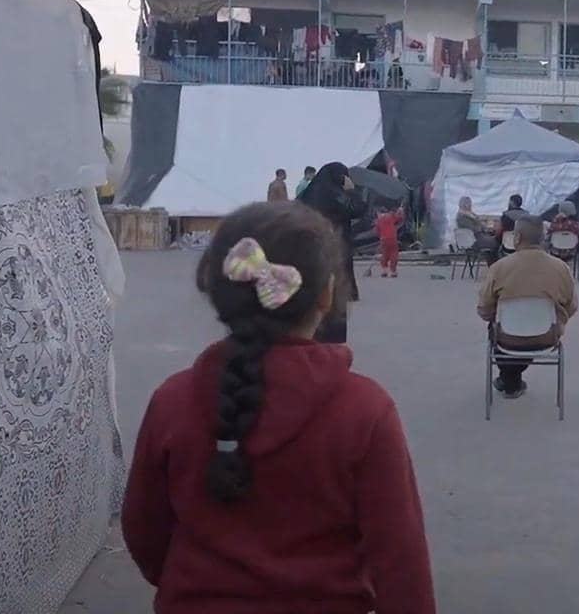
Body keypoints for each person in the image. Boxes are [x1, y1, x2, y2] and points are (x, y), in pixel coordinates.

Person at [122, 201, 435, 614]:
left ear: (220, 291)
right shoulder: (365, 410)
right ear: (326, 294)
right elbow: (401, 563)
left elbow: (144, 531)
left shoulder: (172, 401)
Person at [477, 215, 578, 399]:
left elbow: (484, 308)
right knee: (528, 328)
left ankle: (510, 379)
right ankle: (511, 380)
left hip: (507, 338)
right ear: (543, 238)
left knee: (497, 326)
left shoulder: (499, 268)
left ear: (516, 238)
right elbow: (572, 306)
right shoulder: (561, 269)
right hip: (547, 336)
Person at [300, 162, 365, 342]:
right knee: (335, 295)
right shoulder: (334, 193)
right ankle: (332, 342)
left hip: (310, 251)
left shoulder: (310, 192)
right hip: (335, 248)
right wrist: (352, 191)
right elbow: (358, 209)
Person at [456, 196, 499, 265]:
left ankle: (493, 266)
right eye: (468, 203)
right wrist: (483, 227)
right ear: (464, 204)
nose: (470, 205)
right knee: (497, 242)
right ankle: (495, 267)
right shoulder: (463, 217)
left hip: (476, 238)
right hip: (474, 241)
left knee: (494, 242)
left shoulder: (468, 214)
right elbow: (474, 229)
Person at [374, 205, 404, 278]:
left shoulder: (378, 220)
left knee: (384, 254)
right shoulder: (391, 216)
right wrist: (401, 211)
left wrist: (380, 237)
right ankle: (393, 271)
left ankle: (384, 270)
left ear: (379, 213)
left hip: (383, 239)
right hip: (392, 238)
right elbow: (399, 218)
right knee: (393, 254)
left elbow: (376, 232)